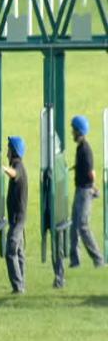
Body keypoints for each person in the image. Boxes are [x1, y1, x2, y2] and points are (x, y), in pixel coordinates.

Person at [68, 115, 104, 269]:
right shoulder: (80, 148)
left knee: (83, 226)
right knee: (74, 226)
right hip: (80, 191)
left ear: (79, 131)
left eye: (74, 130)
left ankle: (98, 259)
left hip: (84, 192)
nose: (72, 132)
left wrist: (93, 188)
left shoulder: (85, 150)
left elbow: (91, 172)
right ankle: (75, 261)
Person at [3, 136, 28, 295]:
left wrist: (2, 168)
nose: (7, 153)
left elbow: (14, 174)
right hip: (18, 218)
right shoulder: (18, 164)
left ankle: (18, 287)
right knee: (18, 253)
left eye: (8, 149)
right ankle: (21, 283)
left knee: (10, 252)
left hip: (17, 220)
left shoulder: (18, 166)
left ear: (14, 151)